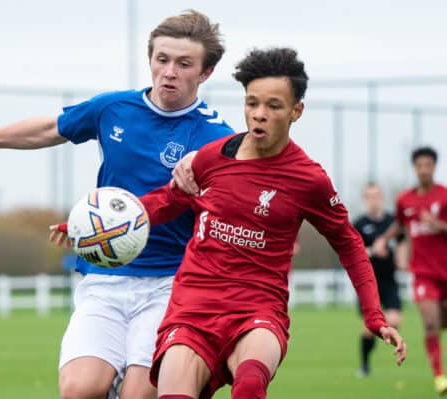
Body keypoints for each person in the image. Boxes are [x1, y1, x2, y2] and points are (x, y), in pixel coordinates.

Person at [0, 10, 233, 399]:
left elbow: (227, 215)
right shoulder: (115, 109)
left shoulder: (217, 138)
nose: (169, 72)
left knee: (139, 394)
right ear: (150, 59)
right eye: (162, 59)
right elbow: (50, 128)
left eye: (184, 64)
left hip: (171, 284)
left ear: (205, 73)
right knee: (80, 389)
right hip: (104, 278)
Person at [136, 47, 407, 399]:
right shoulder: (212, 158)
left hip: (257, 310)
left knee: (250, 384)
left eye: (274, 106)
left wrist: (373, 315)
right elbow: (165, 202)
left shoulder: (308, 180)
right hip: (193, 309)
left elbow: (350, 244)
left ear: (296, 111)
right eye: (252, 104)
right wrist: (103, 225)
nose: (259, 115)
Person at [373, 146, 447, 396]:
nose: (424, 170)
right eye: (419, 166)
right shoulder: (405, 199)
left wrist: (437, 224)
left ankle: (444, 319)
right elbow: (400, 225)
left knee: (444, 320)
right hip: (423, 271)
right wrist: (384, 239)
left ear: (434, 167)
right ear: (414, 168)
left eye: (428, 165)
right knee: (430, 322)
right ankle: (439, 376)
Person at [352, 182, 406, 377]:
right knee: (371, 328)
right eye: (369, 196)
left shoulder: (392, 222)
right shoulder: (358, 224)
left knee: (395, 319)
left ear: (382, 197)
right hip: (368, 283)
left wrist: (401, 260)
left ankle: (382, 341)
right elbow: (353, 253)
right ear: (365, 199)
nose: (373, 199)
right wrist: (373, 251)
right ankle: (365, 365)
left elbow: (401, 242)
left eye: (376, 195)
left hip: (389, 280)